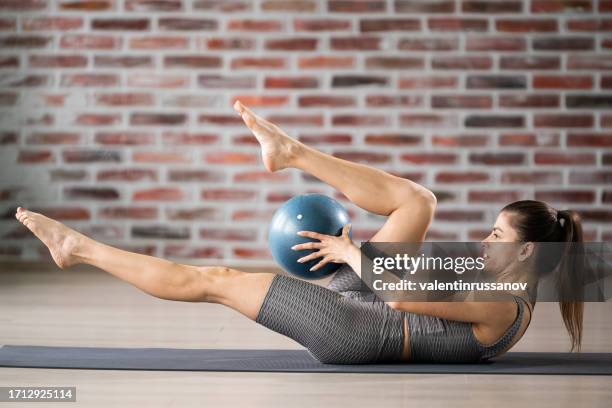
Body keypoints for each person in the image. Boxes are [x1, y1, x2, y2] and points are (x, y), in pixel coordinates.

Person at [13, 100, 583, 364]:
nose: (486, 241)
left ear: (527, 251)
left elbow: (405, 294)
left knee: (217, 277)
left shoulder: (504, 306)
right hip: (376, 304)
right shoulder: (501, 285)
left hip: (358, 333)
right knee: (418, 200)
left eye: (497, 235)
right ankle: (291, 152)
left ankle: (79, 248)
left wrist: (350, 250)